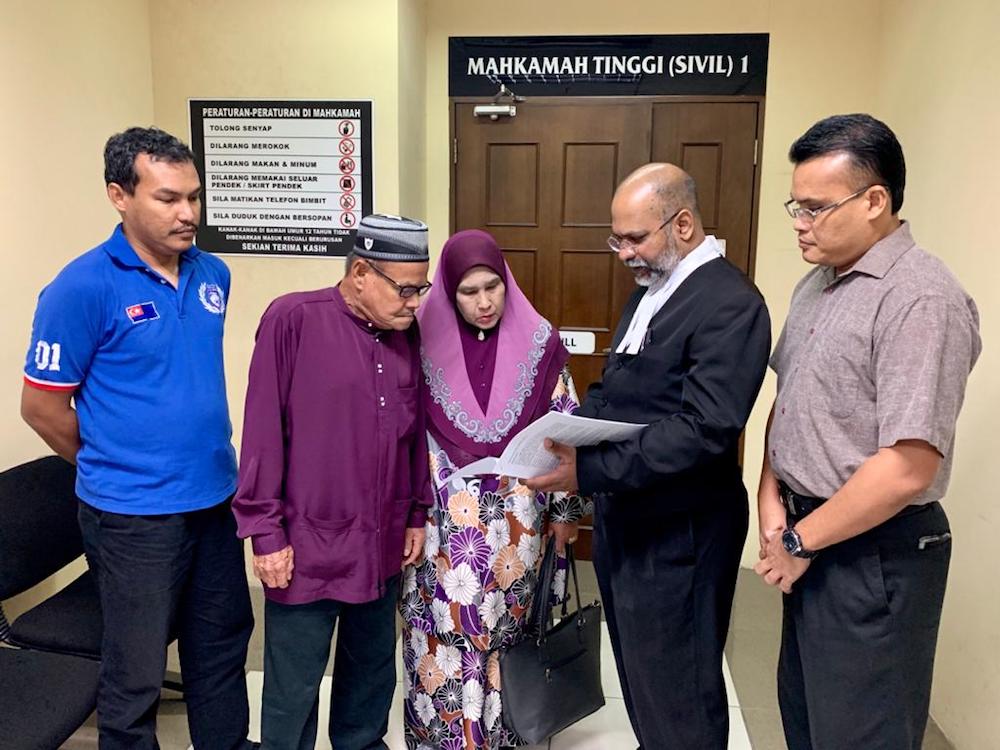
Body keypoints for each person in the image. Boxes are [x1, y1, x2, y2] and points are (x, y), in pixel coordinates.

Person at [20, 127, 254, 749]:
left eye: (194, 197)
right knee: (136, 673)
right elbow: (41, 407)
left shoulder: (213, 274)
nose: (188, 214)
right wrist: (111, 461)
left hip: (213, 503)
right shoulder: (82, 287)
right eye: (169, 198)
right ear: (119, 196)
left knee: (221, 650)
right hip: (133, 519)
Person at [754, 114, 981, 750]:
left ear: (875, 200)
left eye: (814, 207)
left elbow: (908, 465)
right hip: (809, 536)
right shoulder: (817, 284)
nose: (798, 222)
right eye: (794, 205)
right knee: (808, 721)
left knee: (862, 734)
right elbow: (791, 400)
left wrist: (799, 542)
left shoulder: (920, 299)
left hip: (873, 555)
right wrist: (771, 500)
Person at [528, 163, 771, 749]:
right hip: (630, 519)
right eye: (617, 239)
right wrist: (569, 429)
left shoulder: (730, 304)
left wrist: (587, 470)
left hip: (681, 532)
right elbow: (624, 390)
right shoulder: (654, 290)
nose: (624, 253)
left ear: (683, 224)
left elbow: (703, 430)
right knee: (643, 679)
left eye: (635, 238)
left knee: (680, 691)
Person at [233, 213, 432, 750]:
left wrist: (416, 512)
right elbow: (262, 432)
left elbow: (412, 436)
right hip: (307, 544)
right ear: (361, 271)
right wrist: (265, 533)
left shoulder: (405, 336)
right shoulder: (294, 318)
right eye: (406, 289)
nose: (415, 302)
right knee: (293, 687)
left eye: (422, 288)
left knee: (369, 678)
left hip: (381, 540)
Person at [399, 229, 587, 750]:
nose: (484, 302)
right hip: (440, 526)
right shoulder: (418, 340)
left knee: (506, 636)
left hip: (516, 524)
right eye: (468, 292)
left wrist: (567, 514)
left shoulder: (539, 344)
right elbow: (400, 434)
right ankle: (444, 737)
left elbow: (567, 434)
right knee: (439, 632)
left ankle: (504, 734)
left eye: (493, 286)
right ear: (448, 292)